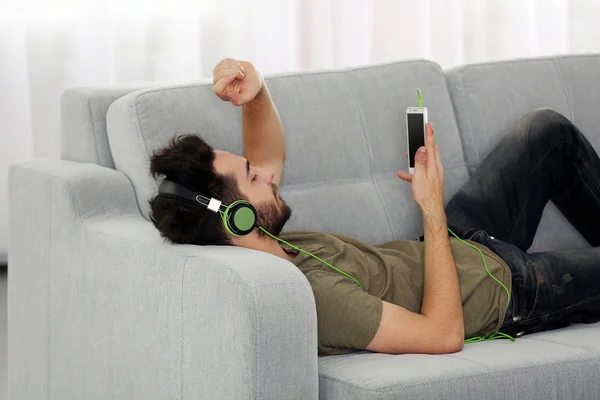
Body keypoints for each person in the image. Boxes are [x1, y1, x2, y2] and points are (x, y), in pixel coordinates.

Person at [148, 58, 600, 356]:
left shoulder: (259, 238)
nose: (267, 175)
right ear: (236, 218)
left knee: (545, 131)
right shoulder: (316, 298)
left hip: (453, 244)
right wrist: (431, 207)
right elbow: (443, 336)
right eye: (252, 177)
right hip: (505, 289)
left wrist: (257, 90)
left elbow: (267, 155)